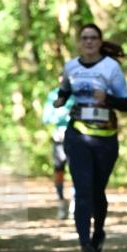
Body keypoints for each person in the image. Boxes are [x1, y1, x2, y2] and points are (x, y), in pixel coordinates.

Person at [54, 24, 127, 252]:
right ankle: (84, 243)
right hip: (77, 135)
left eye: (93, 38)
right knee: (82, 188)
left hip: (105, 138)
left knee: (97, 190)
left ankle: (98, 234)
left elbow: (126, 104)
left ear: (100, 41)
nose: (89, 42)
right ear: (79, 41)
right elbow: (64, 89)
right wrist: (61, 99)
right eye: (84, 38)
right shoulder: (71, 66)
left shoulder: (110, 67)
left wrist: (105, 98)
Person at [42, 80, 74, 220]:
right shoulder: (53, 95)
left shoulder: (77, 94)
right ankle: (61, 201)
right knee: (59, 169)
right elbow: (46, 118)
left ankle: (75, 203)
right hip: (59, 137)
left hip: (76, 137)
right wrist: (60, 115)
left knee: (77, 171)